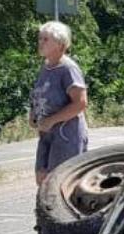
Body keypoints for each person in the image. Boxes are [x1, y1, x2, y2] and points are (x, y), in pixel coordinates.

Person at [31, 21, 89, 185]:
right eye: (40, 38)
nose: (40, 43)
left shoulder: (68, 69)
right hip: (46, 133)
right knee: (42, 179)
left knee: (60, 183)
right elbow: (39, 94)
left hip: (66, 135)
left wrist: (51, 120)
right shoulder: (46, 67)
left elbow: (80, 103)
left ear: (61, 45)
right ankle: (45, 211)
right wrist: (33, 115)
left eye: (46, 39)